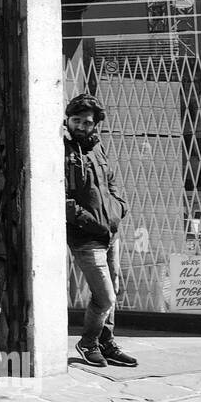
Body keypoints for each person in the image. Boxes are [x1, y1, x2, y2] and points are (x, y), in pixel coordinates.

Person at [65, 93, 137, 367]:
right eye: (76, 120)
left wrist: (119, 208)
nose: (82, 126)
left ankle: (106, 342)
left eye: (87, 122)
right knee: (105, 295)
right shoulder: (62, 149)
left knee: (112, 292)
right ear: (68, 120)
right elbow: (63, 197)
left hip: (110, 233)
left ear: (95, 124)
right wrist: (88, 221)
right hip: (85, 237)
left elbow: (111, 181)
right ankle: (88, 342)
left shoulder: (97, 147)